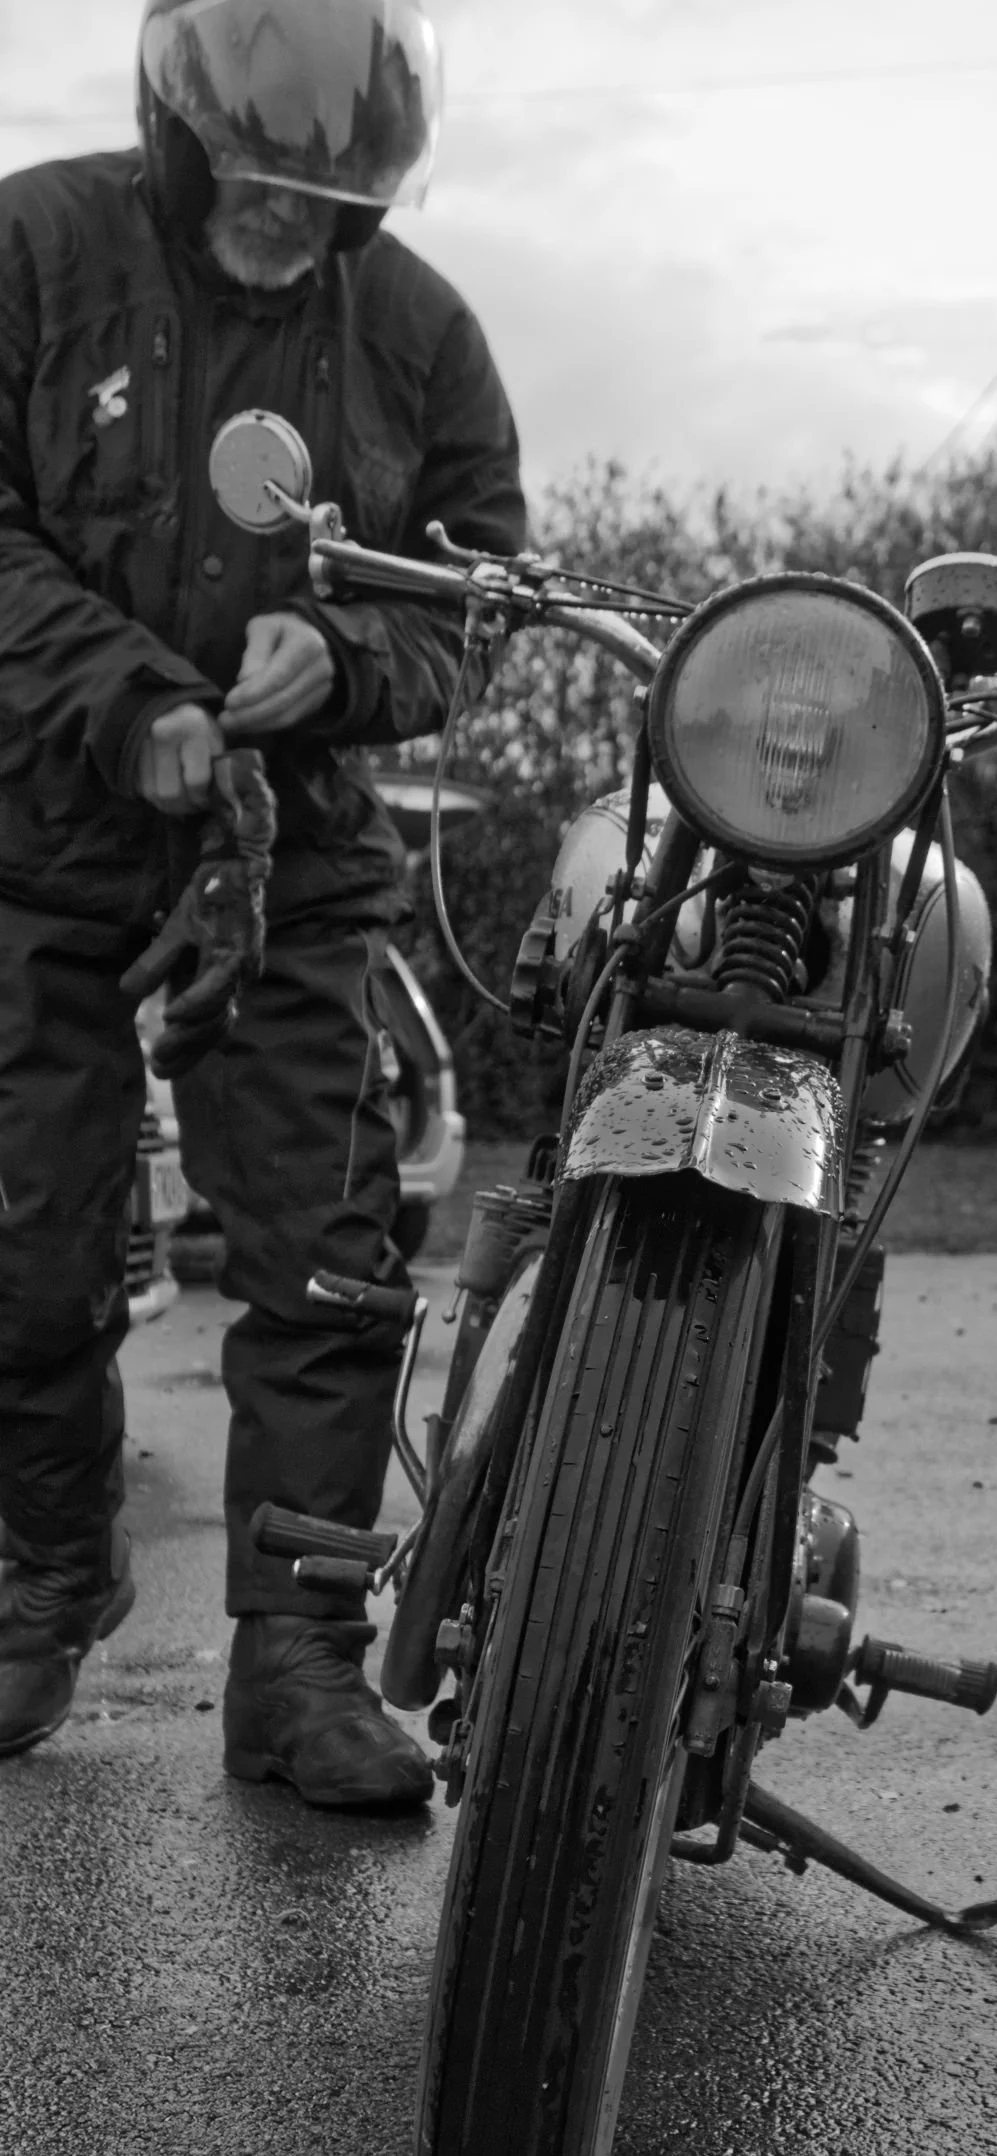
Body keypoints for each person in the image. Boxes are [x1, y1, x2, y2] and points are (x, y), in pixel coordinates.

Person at [0, 0, 526, 1804]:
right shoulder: (30, 248)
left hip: (295, 854)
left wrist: (355, 656)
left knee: (326, 1252)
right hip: (37, 837)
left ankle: (298, 1664)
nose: (292, 228)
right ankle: (40, 1581)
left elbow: (480, 594)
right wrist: (125, 695)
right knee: (25, 1237)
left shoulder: (420, 331)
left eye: (329, 200)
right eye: (260, 189)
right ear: (171, 128)